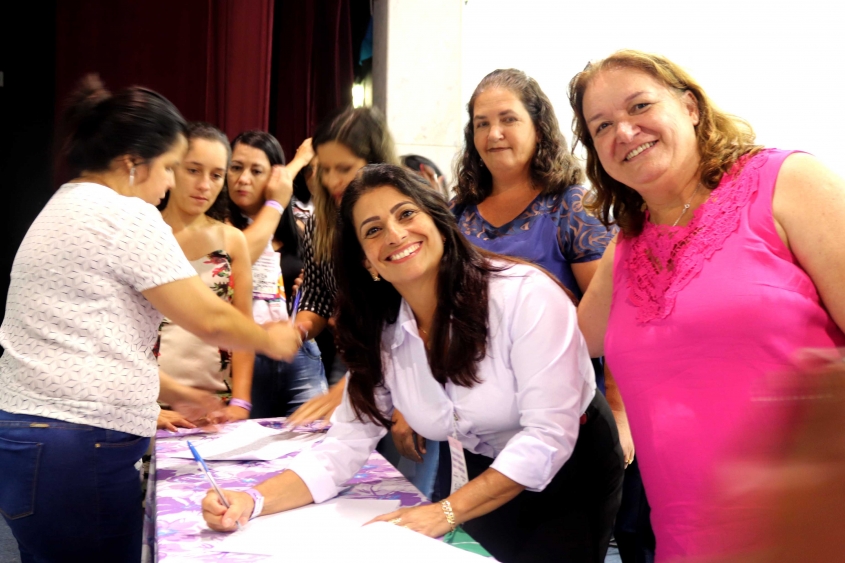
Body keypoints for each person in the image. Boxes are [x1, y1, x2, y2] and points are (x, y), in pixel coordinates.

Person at [202, 164, 624, 563]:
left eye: (406, 213)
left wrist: (446, 512)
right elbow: (342, 448)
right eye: (373, 230)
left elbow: (548, 436)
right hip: (484, 466)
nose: (395, 234)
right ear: (366, 261)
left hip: (571, 464)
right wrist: (252, 500)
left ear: (439, 219)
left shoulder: (523, 296)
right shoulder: (381, 333)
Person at [0, 76, 303, 563]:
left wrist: (179, 394)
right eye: (170, 168)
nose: (169, 184)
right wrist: (274, 337)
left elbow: (89, 339)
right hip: (75, 448)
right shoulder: (126, 214)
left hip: (39, 440)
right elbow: (208, 318)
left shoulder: (66, 203)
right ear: (131, 163)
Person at [569, 50, 845, 561]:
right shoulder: (626, 247)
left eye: (639, 106)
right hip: (688, 540)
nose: (624, 132)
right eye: (601, 125)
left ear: (690, 106)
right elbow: (560, 345)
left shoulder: (786, 181)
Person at [286, 106, 400, 420]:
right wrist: (292, 333)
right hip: (360, 361)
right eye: (325, 168)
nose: (332, 180)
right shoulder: (318, 224)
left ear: (376, 163)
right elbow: (318, 298)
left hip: (411, 368)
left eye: (344, 168)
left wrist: (349, 387)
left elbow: (409, 323)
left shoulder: (403, 223)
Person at [156, 122, 255, 429]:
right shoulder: (143, 234)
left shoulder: (231, 240)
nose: (204, 185)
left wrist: (240, 402)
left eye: (216, 175)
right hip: (149, 404)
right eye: (194, 170)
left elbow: (242, 329)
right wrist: (145, 410)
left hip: (216, 408)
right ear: (172, 167)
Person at [226, 130, 328, 418]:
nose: (243, 179)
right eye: (235, 167)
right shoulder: (215, 227)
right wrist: (298, 161)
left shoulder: (298, 230)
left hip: (298, 353)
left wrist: (307, 293)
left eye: (256, 170)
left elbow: (319, 298)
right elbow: (242, 254)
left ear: (272, 177)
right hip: (242, 359)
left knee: (313, 442)